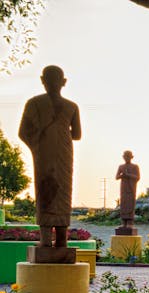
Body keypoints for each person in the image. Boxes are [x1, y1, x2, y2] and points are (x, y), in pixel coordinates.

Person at [18, 65, 82, 248]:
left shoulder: (69, 107)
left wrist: (41, 142)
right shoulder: (36, 104)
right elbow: (76, 134)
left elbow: (77, 134)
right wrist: (38, 147)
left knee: (59, 191)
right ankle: (47, 241)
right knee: (48, 191)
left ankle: (60, 240)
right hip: (48, 154)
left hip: (58, 155)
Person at [115, 150, 140, 229]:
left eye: (128, 157)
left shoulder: (135, 166)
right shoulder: (121, 167)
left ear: (131, 157)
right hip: (124, 188)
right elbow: (117, 177)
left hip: (131, 187)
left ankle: (130, 222)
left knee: (130, 203)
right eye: (125, 157)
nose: (127, 158)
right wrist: (122, 175)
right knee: (124, 204)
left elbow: (137, 177)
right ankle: (124, 222)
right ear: (123, 157)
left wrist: (128, 175)